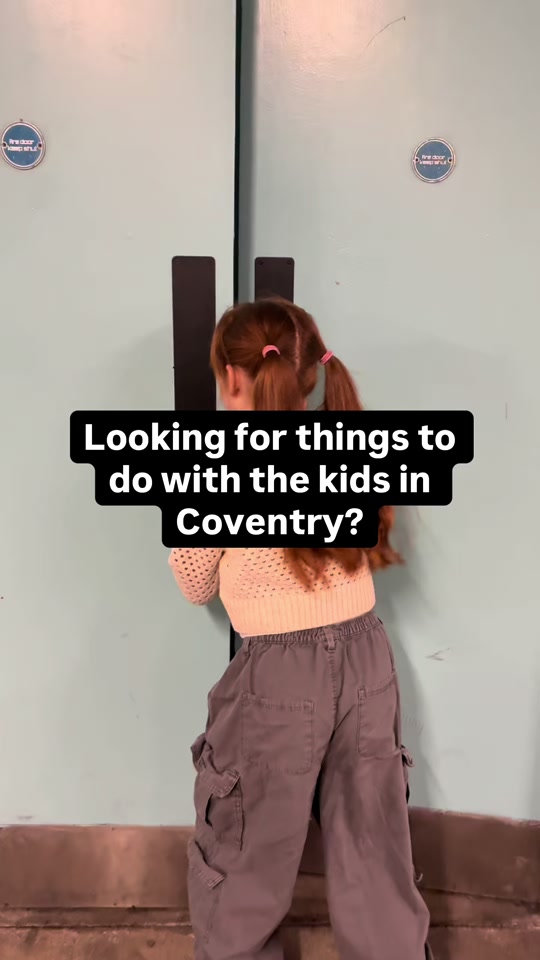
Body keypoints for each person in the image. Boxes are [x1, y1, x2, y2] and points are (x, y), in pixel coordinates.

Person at [169, 298, 432, 960]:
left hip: (278, 680)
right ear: (312, 372)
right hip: (367, 657)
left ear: (232, 378)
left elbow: (195, 582)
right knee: (374, 850)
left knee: (246, 856)